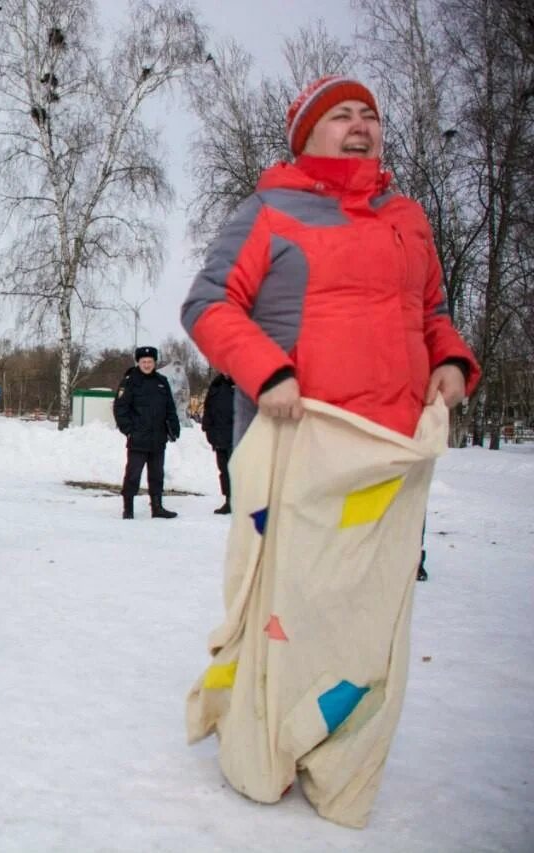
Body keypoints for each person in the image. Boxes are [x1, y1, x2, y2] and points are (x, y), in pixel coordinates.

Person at [180, 76, 480, 827]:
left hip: (388, 457)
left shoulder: (407, 217)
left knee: (367, 615)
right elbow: (208, 303)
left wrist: (450, 358)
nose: (360, 125)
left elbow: (432, 309)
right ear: (305, 134)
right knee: (291, 607)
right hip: (298, 447)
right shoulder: (269, 210)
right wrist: (268, 369)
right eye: (341, 114)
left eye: (370, 115)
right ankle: (265, 743)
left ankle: (341, 756)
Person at [113, 346, 180, 519]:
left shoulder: (162, 381)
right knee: (133, 474)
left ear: (155, 363)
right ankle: (128, 508)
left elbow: (170, 407)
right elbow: (120, 408)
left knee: (157, 474)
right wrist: (128, 430)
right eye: (144, 362)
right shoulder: (130, 381)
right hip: (138, 438)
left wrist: (174, 427)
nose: (147, 364)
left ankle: (157, 507)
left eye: (150, 362)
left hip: (158, 437)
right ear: (138, 362)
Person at [201, 373, 235, 514]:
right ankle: (229, 501)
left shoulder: (243, 382)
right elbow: (208, 409)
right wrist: (208, 429)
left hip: (239, 436)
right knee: (225, 471)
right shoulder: (216, 384)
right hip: (220, 436)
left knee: (241, 471)